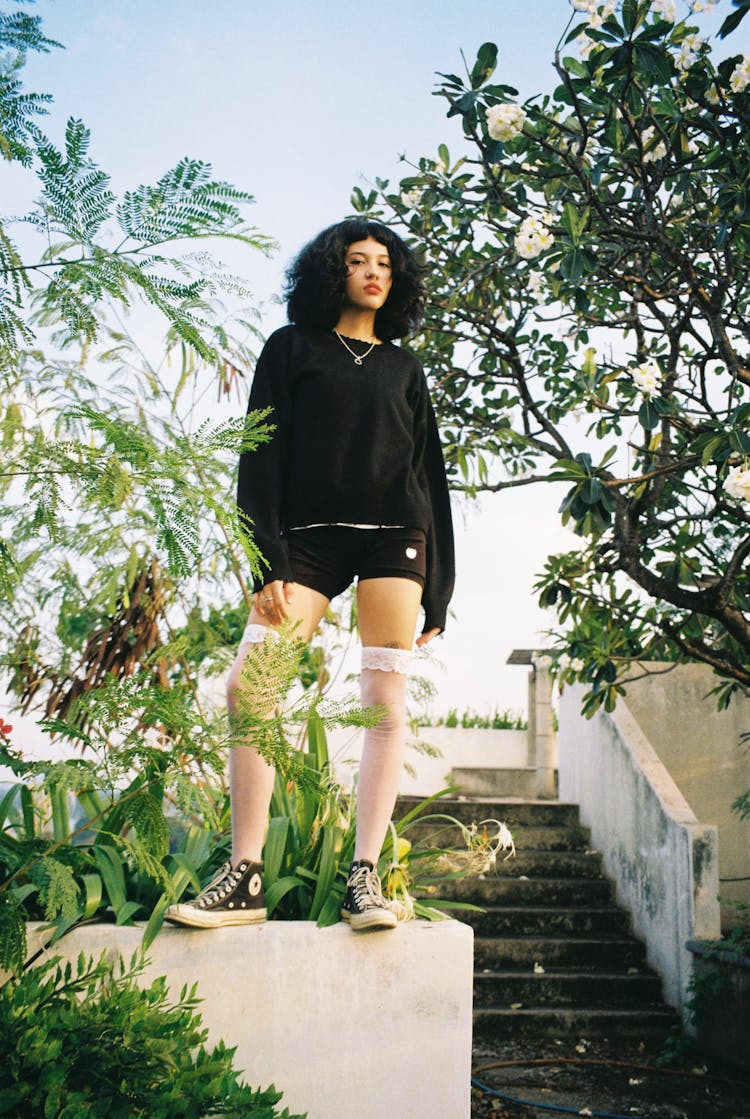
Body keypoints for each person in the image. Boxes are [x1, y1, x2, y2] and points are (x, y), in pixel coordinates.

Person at [166, 219, 454, 932]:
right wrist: (267, 559)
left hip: (396, 542)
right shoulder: (291, 349)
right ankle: (245, 875)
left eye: (384, 263)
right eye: (358, 261)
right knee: (250, 687)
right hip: (308, 546)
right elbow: (258, 455)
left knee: (384, 700)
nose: (373, 273)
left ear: (398, 279)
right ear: (334, 272)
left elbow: (431, 478)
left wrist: (440, 584)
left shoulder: (405, 368)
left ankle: (363, 878)